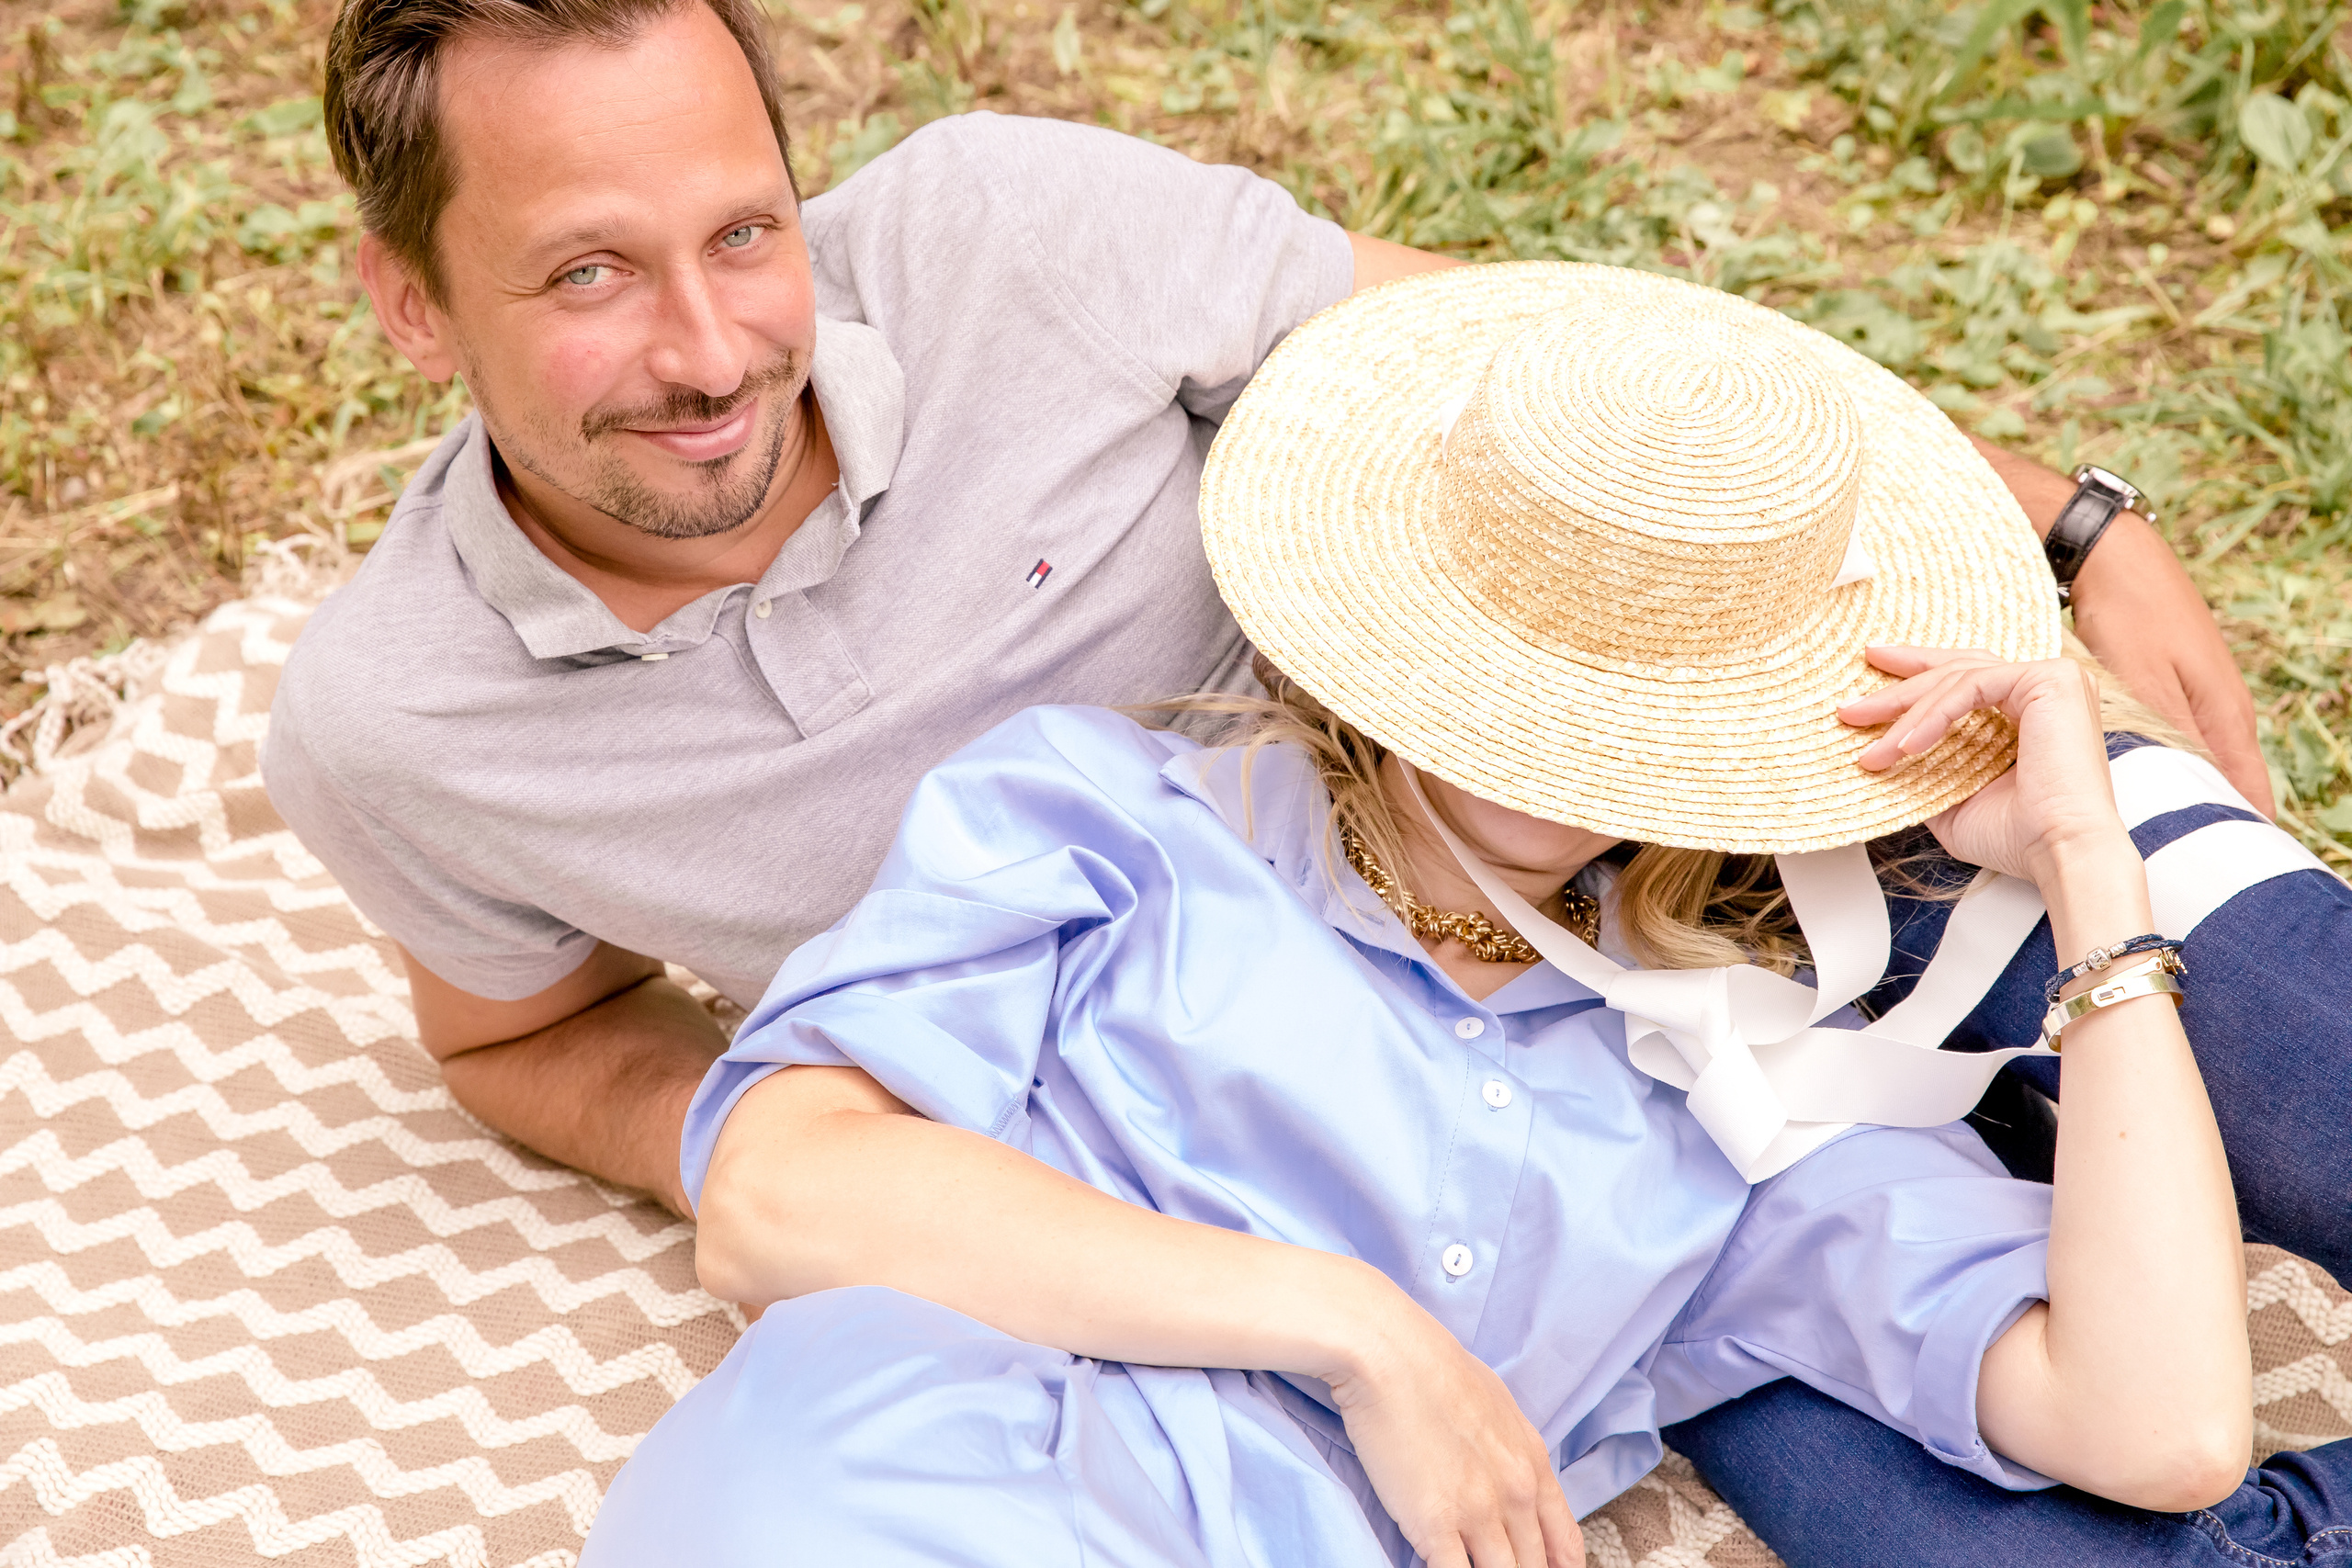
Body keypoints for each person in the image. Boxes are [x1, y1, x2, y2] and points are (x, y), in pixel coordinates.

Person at [273, 0, 2265, 1227]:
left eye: (744, 232)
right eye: (589, 274)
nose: (713, 351)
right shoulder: (398, 732)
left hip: (1735, 777)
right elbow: (522, 1035)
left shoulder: (1007, 228)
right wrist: (785, 1141)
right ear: (410, 301)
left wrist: (2063, 521)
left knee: (2307, 1089)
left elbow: (1542, 361)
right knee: (2055, 1463)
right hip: (1378, 1152)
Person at [578, 266, 2352, 1568]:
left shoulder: (1739, 1095)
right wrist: (1361, 1334)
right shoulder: (1112, 821)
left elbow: (2164, 1428)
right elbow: (779, 1193)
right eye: (1544, 641)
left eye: (1637, 670)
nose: (1562, 729)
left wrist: (2086, 867)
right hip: (872, 1497)